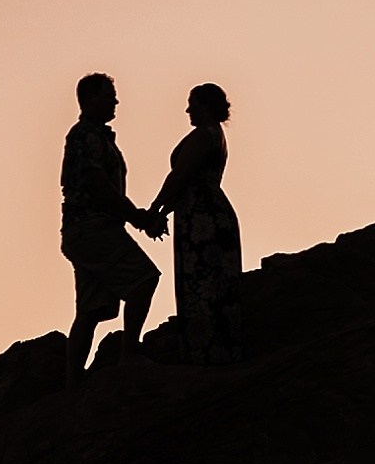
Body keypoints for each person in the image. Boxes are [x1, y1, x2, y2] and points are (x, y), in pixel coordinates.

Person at [60, 72, 163, 372]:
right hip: (94, 229)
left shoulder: (94, 137)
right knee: (143, 280)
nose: (115, 101)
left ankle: (73, 382)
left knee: (90, 310)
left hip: (83, 231)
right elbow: (99, 185)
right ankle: (129, 354)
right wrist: (139, 219)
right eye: (108, 95)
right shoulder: (86, 136)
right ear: (89, 99)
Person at [145, 83, 242, 364]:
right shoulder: (216, 135)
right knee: (212, 285)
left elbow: (180, 176)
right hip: (203, 214)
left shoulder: (204, 135)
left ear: (206, 107)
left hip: (204, 219)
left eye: (193, 103)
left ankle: (205, 354)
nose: (188, 109)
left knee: (202, 285)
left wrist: (155, 210)